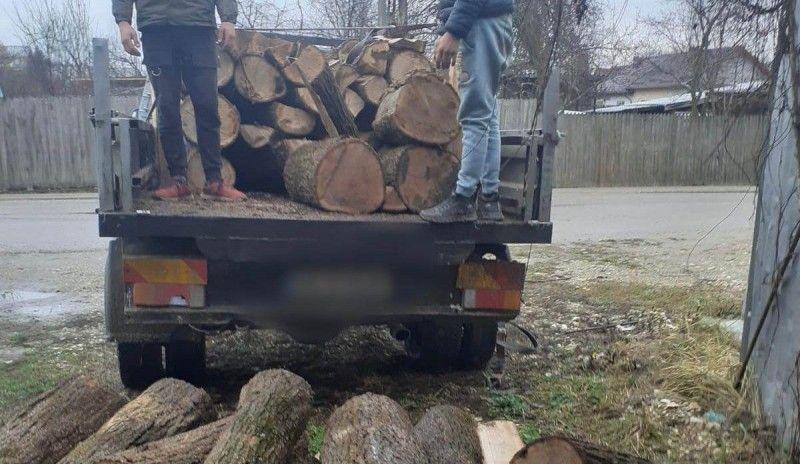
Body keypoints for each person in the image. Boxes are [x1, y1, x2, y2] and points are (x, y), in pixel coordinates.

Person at [114, 0, 247, 201]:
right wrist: (123, 21)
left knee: (208, 106)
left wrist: (228, 18)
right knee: (167, 107)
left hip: (199, 27)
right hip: (157, 27)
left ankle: (214, 181)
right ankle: (179, 181)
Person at [420, 0, 514, 223]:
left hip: (480, 22)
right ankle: (489, 199)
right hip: (486, 20)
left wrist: (453, 31)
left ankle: (464, 198)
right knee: (487, 113)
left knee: (475, 115)